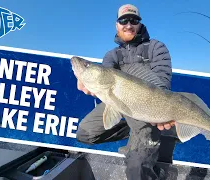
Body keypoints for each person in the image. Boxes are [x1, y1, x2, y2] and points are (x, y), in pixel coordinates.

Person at [74, 4, 178, 180]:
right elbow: (105, 75)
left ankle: (143, 139)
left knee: (136, 169)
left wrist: (160, 113)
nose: (128, 25)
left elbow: (162, 83)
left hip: (147, 106)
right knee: (85, 133)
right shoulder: (111, 55)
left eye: (134, 20)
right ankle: (134, 135)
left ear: (139, 24)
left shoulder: (156, 47)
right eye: (123, 21)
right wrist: (85, 78)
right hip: (120, 104)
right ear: (117, 25)